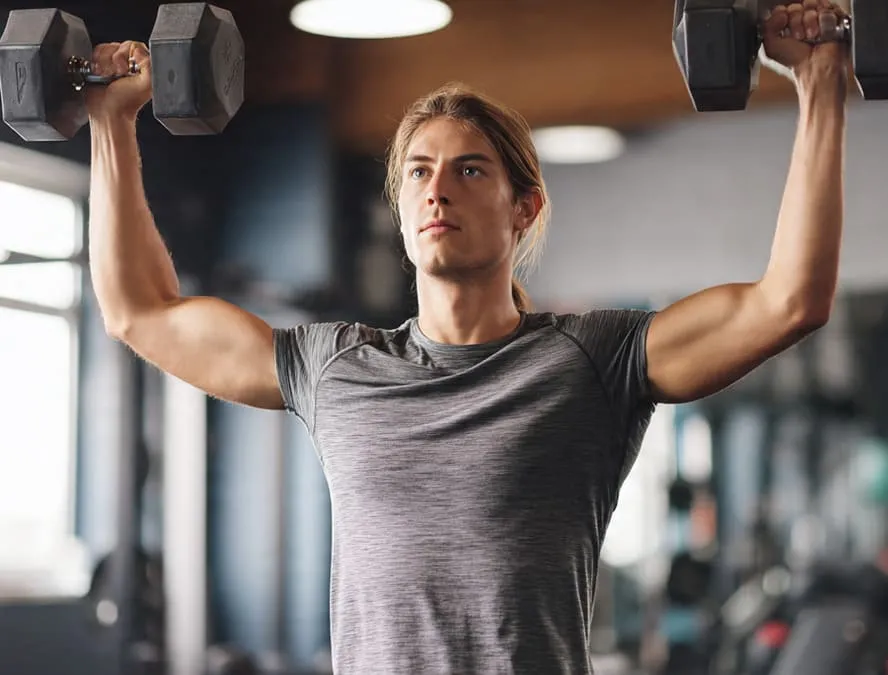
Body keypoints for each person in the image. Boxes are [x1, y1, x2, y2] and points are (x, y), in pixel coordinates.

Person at [86, 1, 848, 672]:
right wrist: (111, 122)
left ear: (524, 207)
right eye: (417, 172)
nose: (437, 188)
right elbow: (139, 311)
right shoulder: (334, 367)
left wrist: (817, 88)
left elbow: (788, 301)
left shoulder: (590, 362)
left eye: (470, 170)